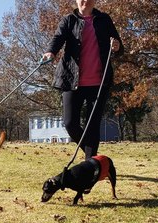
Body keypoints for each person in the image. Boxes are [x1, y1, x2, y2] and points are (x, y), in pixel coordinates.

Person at [42, 0, 123, 160]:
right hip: (72, 81)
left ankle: (90, 164)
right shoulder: (68, 20)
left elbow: (119, 46)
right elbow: (58, 38)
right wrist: (51, 52)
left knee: (92, 126)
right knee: (70, 123)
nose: (85, 0)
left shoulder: (104, 20)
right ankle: (92, 155)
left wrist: (117, 46)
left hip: (99, 83)